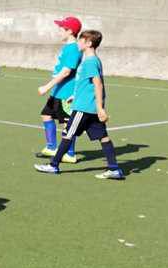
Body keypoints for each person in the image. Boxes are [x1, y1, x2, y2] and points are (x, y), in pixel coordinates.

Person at [35, 30, 123, 180]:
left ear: (89, 44)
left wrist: (100, 108)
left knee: (68, 134)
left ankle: (53, 165)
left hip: (84, 108)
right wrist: (74, 96)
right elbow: (87, 84)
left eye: (81, 40)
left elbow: (98, 84)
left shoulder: (90, 62)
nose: (78, 43)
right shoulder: (91, 60)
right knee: (103, 137)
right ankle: (114, 168)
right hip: (88, 106)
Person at [37, 16, 83, 164]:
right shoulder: (67, 47)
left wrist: (46, 86)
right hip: (58, 91)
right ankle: (52, 147)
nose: (59, 32)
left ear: (70, 31)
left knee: (67, 123)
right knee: (46, 115)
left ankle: (70, 153)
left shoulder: (74, 49)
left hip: (66, 93)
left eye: (61, 29)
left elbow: (66, 72)